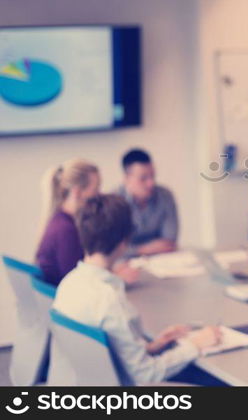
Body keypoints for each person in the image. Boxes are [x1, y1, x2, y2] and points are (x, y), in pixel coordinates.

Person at [52, 194, 223, 386]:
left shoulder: (68, 284)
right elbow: (145, 375)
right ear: (124, 241)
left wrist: (154, 345)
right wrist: (195, 345)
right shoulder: (109, 301)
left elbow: (105, 353)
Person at [35, 159, 101, 285]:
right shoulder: (65, 229)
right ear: (77, 192)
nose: (99, 195)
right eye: (96, 188)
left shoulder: (60, 219)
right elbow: (76, 281)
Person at [116, 149, 178, 257]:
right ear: (126, 179)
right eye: (143, 178)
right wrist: (143, 250)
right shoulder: (114, 202)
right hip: (124, 265)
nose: (151, 183)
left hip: (161, 262)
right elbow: (114, 249)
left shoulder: (165, 196)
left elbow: (169, 242)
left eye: (152, 176)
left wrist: (131, 249)